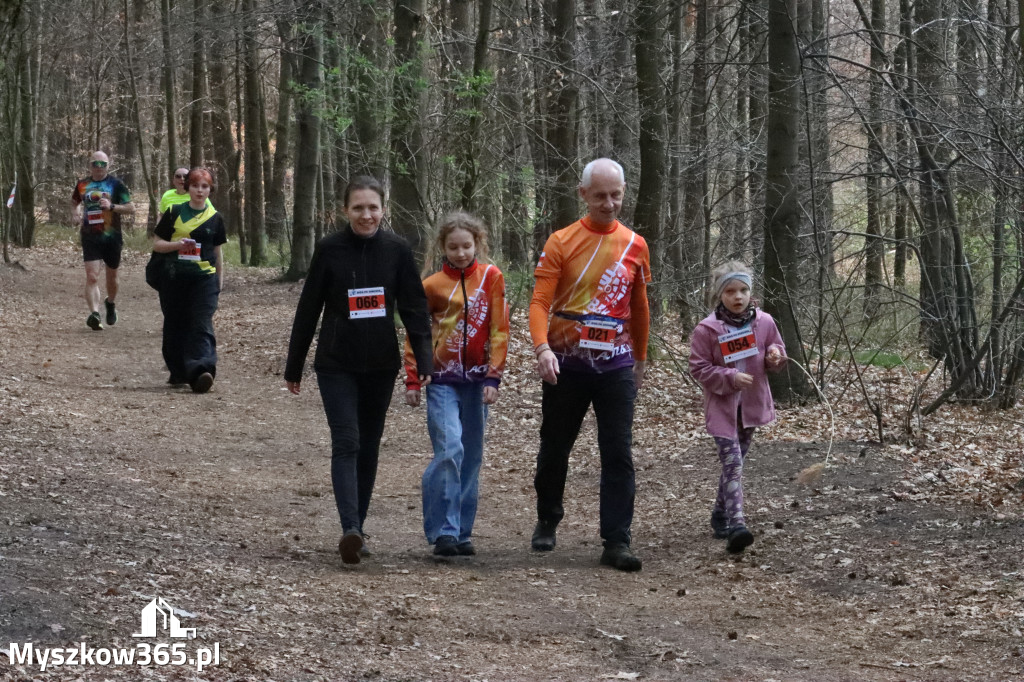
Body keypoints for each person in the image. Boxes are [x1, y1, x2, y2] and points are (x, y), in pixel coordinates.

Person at [285, 176, 433, 565]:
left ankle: (358, 528)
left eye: (373, 207)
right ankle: (350, 526)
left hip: (381, 365)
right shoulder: (329, 249)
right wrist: (294, 364)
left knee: (368, 445)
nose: (366, 215)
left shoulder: (398, 250)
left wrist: (425, 360)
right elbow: (309, 307)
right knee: (347, 440)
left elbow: (415, 309)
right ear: (344, 210)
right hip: (336, 362)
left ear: (383, 209)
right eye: (358, 208)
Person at [529, 158, 651, 572]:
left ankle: (616, 540)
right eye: (600, 195)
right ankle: (548, 516)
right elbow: (541, 301)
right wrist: (542, 348)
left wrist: (640, 357)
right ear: (583, 195)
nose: (610, 203)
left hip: (615, 365)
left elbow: (639, 306)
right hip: (566, 363)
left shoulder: (636, 244)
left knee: (617, 450)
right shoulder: (561, 241)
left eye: (616, 195)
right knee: (555, 446)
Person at [404, 212, 509, 557]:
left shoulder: (492, 278)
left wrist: (494, 375)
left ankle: (462, 531)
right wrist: (413, 378)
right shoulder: (431, 285)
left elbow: (499, 328)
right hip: (440, 379)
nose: (461, 253)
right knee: (449, 449)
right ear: (442, 247)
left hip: (477, 382)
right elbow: (416, 333)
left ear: (478, 243)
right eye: (453, 247)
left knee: (471, 456)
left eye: (467, 246)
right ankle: (443, 530)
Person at [688, 261, 787, 554]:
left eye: (743, 290)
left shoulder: (765, 322)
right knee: (732, 463)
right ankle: (737, 525)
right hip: (722, 408)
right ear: (720, 294)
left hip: (751, 407)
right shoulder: (707, 329)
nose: (738, 297)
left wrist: (774, 356)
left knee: (736, 464)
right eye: (730, 291)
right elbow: (698, 367)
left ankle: (719, 514)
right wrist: (729, 377)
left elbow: (778, 355)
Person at [151, 168, 227, 394]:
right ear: (188, 188)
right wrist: (177, 245)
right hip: (174, 277)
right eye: (195, 186)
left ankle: (202, 369)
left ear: (210, 190)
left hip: (204, 278)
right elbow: (157, 244)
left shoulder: (216, 218)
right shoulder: (174, 212)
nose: (200, 191)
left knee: (201, 322)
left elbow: (217, 252)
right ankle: (179, 370)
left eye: (205, 187)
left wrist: (219, 281)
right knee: (175, 323)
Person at [71, 151, 134, 330]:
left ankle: (111, 302)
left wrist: (112, 206)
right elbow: (74, 202)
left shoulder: (117, 184)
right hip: (90, 235)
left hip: (112, 236)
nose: (99, 168)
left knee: (112, 277)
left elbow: (131, 208)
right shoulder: (83, 184)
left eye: (103, 164)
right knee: (92, 276)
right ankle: (94, 314)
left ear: (108, 165)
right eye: (95, 164)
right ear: (89, 165)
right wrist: (75, 213)